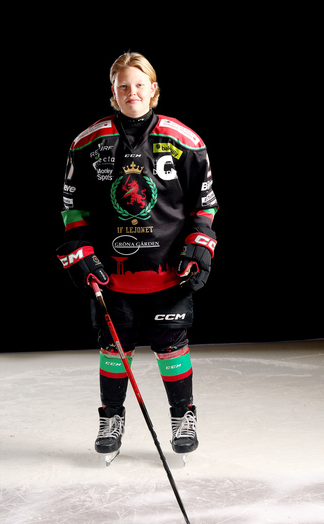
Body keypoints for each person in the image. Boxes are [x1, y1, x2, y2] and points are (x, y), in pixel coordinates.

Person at [57, 52, 219, 458]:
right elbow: (72, 206)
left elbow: (205, 204)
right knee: (114, 349)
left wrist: (199, 245)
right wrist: (81, 252)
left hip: (167, 272)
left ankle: (183, 416)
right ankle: (111, 417)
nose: (132, 92)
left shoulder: (185, 140)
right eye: (123, 86)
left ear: (153, 89)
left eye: (139, 84)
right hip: (113, 275)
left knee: (172, 346)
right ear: (113, 92)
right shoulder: (86, 142)